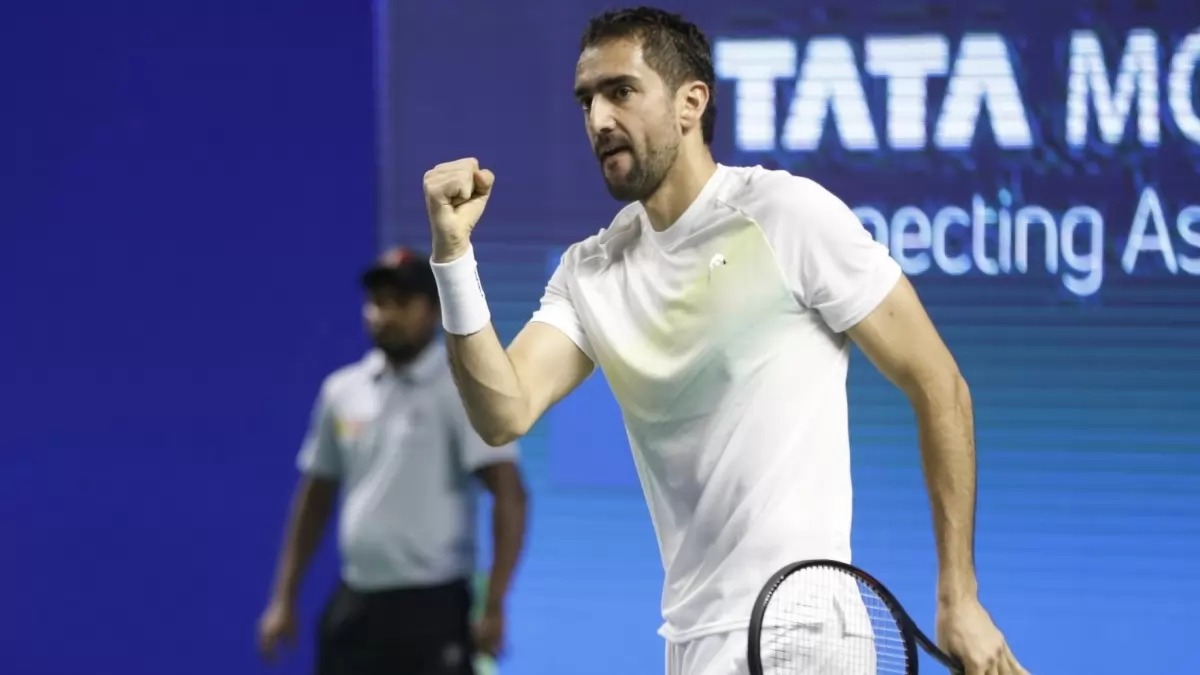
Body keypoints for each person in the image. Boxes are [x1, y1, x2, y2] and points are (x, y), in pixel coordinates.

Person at [421, 6, 1026, 675]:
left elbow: (939, 384)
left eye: (621, 91)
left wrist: (959, 596)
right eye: (586, 100)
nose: (598, 119)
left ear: (691, 102)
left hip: (805, 629)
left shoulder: (785, 214)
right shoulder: (590, 271)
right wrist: (453, 258)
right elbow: (502, 411)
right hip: (691, 639)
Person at [256, 247, 527, 675]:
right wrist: (284, 597)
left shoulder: (460, 390)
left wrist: (494, 603)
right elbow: (314, 499)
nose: (385, 314)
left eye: (402, 302)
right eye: (378, 302)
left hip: (434, 606)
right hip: (357, 598)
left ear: (433, 310)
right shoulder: (342, 390)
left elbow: (510, 495)